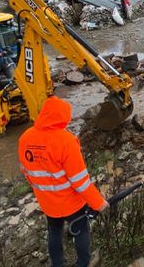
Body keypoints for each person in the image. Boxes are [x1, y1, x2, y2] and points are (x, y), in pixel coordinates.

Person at [18, 96, 109, 267]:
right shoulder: (66, 141)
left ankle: (57, 264)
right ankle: (83, 262)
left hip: (47, 202)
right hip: (71, 202)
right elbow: (80, 182)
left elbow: (26, 171)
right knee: (81, 231)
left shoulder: (25, 138)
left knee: (54, 231)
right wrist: (99, 203)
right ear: (64, 117)